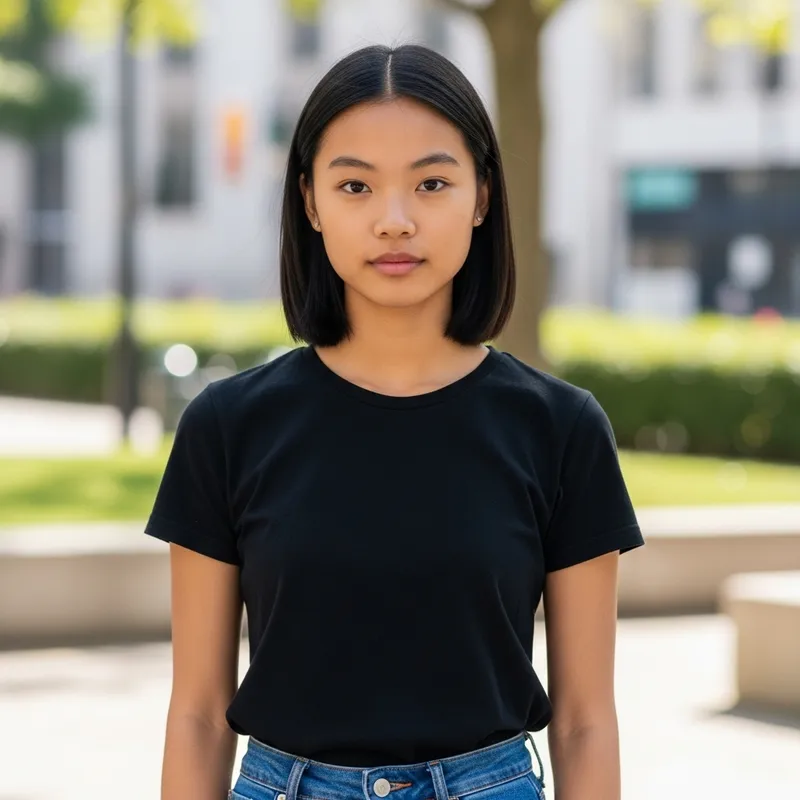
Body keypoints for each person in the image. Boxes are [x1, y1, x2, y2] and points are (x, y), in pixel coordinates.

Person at [145, 43, 645, 800]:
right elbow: (198, 716)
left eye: (433, 183)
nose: (394, 221)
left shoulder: (562, 429)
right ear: (310, 200)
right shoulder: (227, 426)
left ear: (481, 197)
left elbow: (583, 720)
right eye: (355, 185)